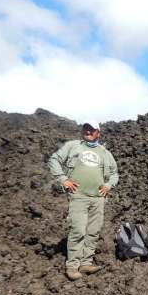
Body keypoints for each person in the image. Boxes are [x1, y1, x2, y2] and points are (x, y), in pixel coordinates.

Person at [48, 120, 119, 281]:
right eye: (86, 128)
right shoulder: (73, 146)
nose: (88, 131)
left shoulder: (105, 153)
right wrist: (63, 179)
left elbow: (115, 173)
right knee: (78, 230)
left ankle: (86, 263)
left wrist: (108, 185)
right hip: (78, 196)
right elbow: (54, 159)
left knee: (93, 231)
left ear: (98, 133)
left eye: (92, 130)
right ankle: (72, 266)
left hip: (98, 198)